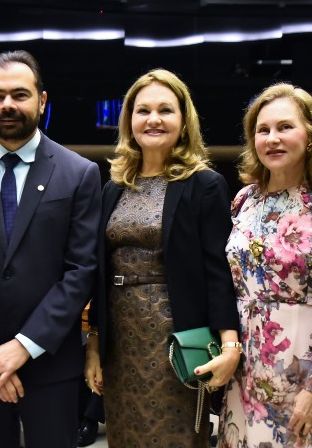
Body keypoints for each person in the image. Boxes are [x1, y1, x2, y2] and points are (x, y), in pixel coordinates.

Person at [0, 50, 101, 448]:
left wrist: (22, 348)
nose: (8, 104)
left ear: (42, 101)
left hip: (49, 362)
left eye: (20, 94)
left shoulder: (79, 173)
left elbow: (80, 271)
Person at [84, 69, 240, 446]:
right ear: (129, 121)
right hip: (120, 344)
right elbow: (100, 277)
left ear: (183, 120)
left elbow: (219, 272)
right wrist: (93, 348)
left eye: (165, 110)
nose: (153, 119)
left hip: (177, 341)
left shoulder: (204, 185)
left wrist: (230, 345)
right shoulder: (113, 188)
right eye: (143, 111)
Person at [217, 83, 312, 448]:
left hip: (304, 374)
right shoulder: (244, 200)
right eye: (263, 130)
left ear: (310, 136)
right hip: (245, 373)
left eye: (284, 127)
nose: (272, 138)